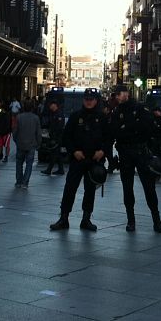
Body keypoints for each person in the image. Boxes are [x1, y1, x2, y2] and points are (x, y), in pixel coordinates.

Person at [50, 88, 109, 232]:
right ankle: (64, 218)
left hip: (94, 160)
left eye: (92, 99)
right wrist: (74, 151)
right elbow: (66, 137)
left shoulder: (102, 117)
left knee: (90, 191)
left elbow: (108, 138)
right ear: (84, 100)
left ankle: (86, 219)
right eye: (87, 99)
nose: (89, 102)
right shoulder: (76, 116)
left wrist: (102, 151)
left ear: (96, 100)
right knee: (70, 188)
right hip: (78, 158)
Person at [110, 84, 161, 233]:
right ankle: (131, 220)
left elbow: (147, 128)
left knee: (149, 188)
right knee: (127, 189)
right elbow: (116, 132)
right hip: (125, 154)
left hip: (141, 152)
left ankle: (157, 220)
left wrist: (126, 128)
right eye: (115, 95)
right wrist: (131, 128)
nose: (117, 97)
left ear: (126, 94)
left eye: (119, 94)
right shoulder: (116, 111)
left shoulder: (140, 108)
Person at [13, 99, 42, 188]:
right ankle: (25, 183)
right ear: (32, 108)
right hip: (31, 144)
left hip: (21, 143)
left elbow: (15, 131)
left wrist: (16, 140)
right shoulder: (36, 118)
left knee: (19, 164)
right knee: (29, 164)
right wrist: (38, 143)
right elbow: (38, 133)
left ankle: (18, 181)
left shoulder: (19, 117)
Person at [41, 98, 66, 175]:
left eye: (51, 105)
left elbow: (59, 127)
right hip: (53, 137)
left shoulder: (59, 114)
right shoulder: (53, 113)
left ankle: (49, 170)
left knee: (53, 154)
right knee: (57, 154)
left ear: (55, 105)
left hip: (57, 138)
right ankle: (61, 170)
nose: (50, 107)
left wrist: (55, 138)